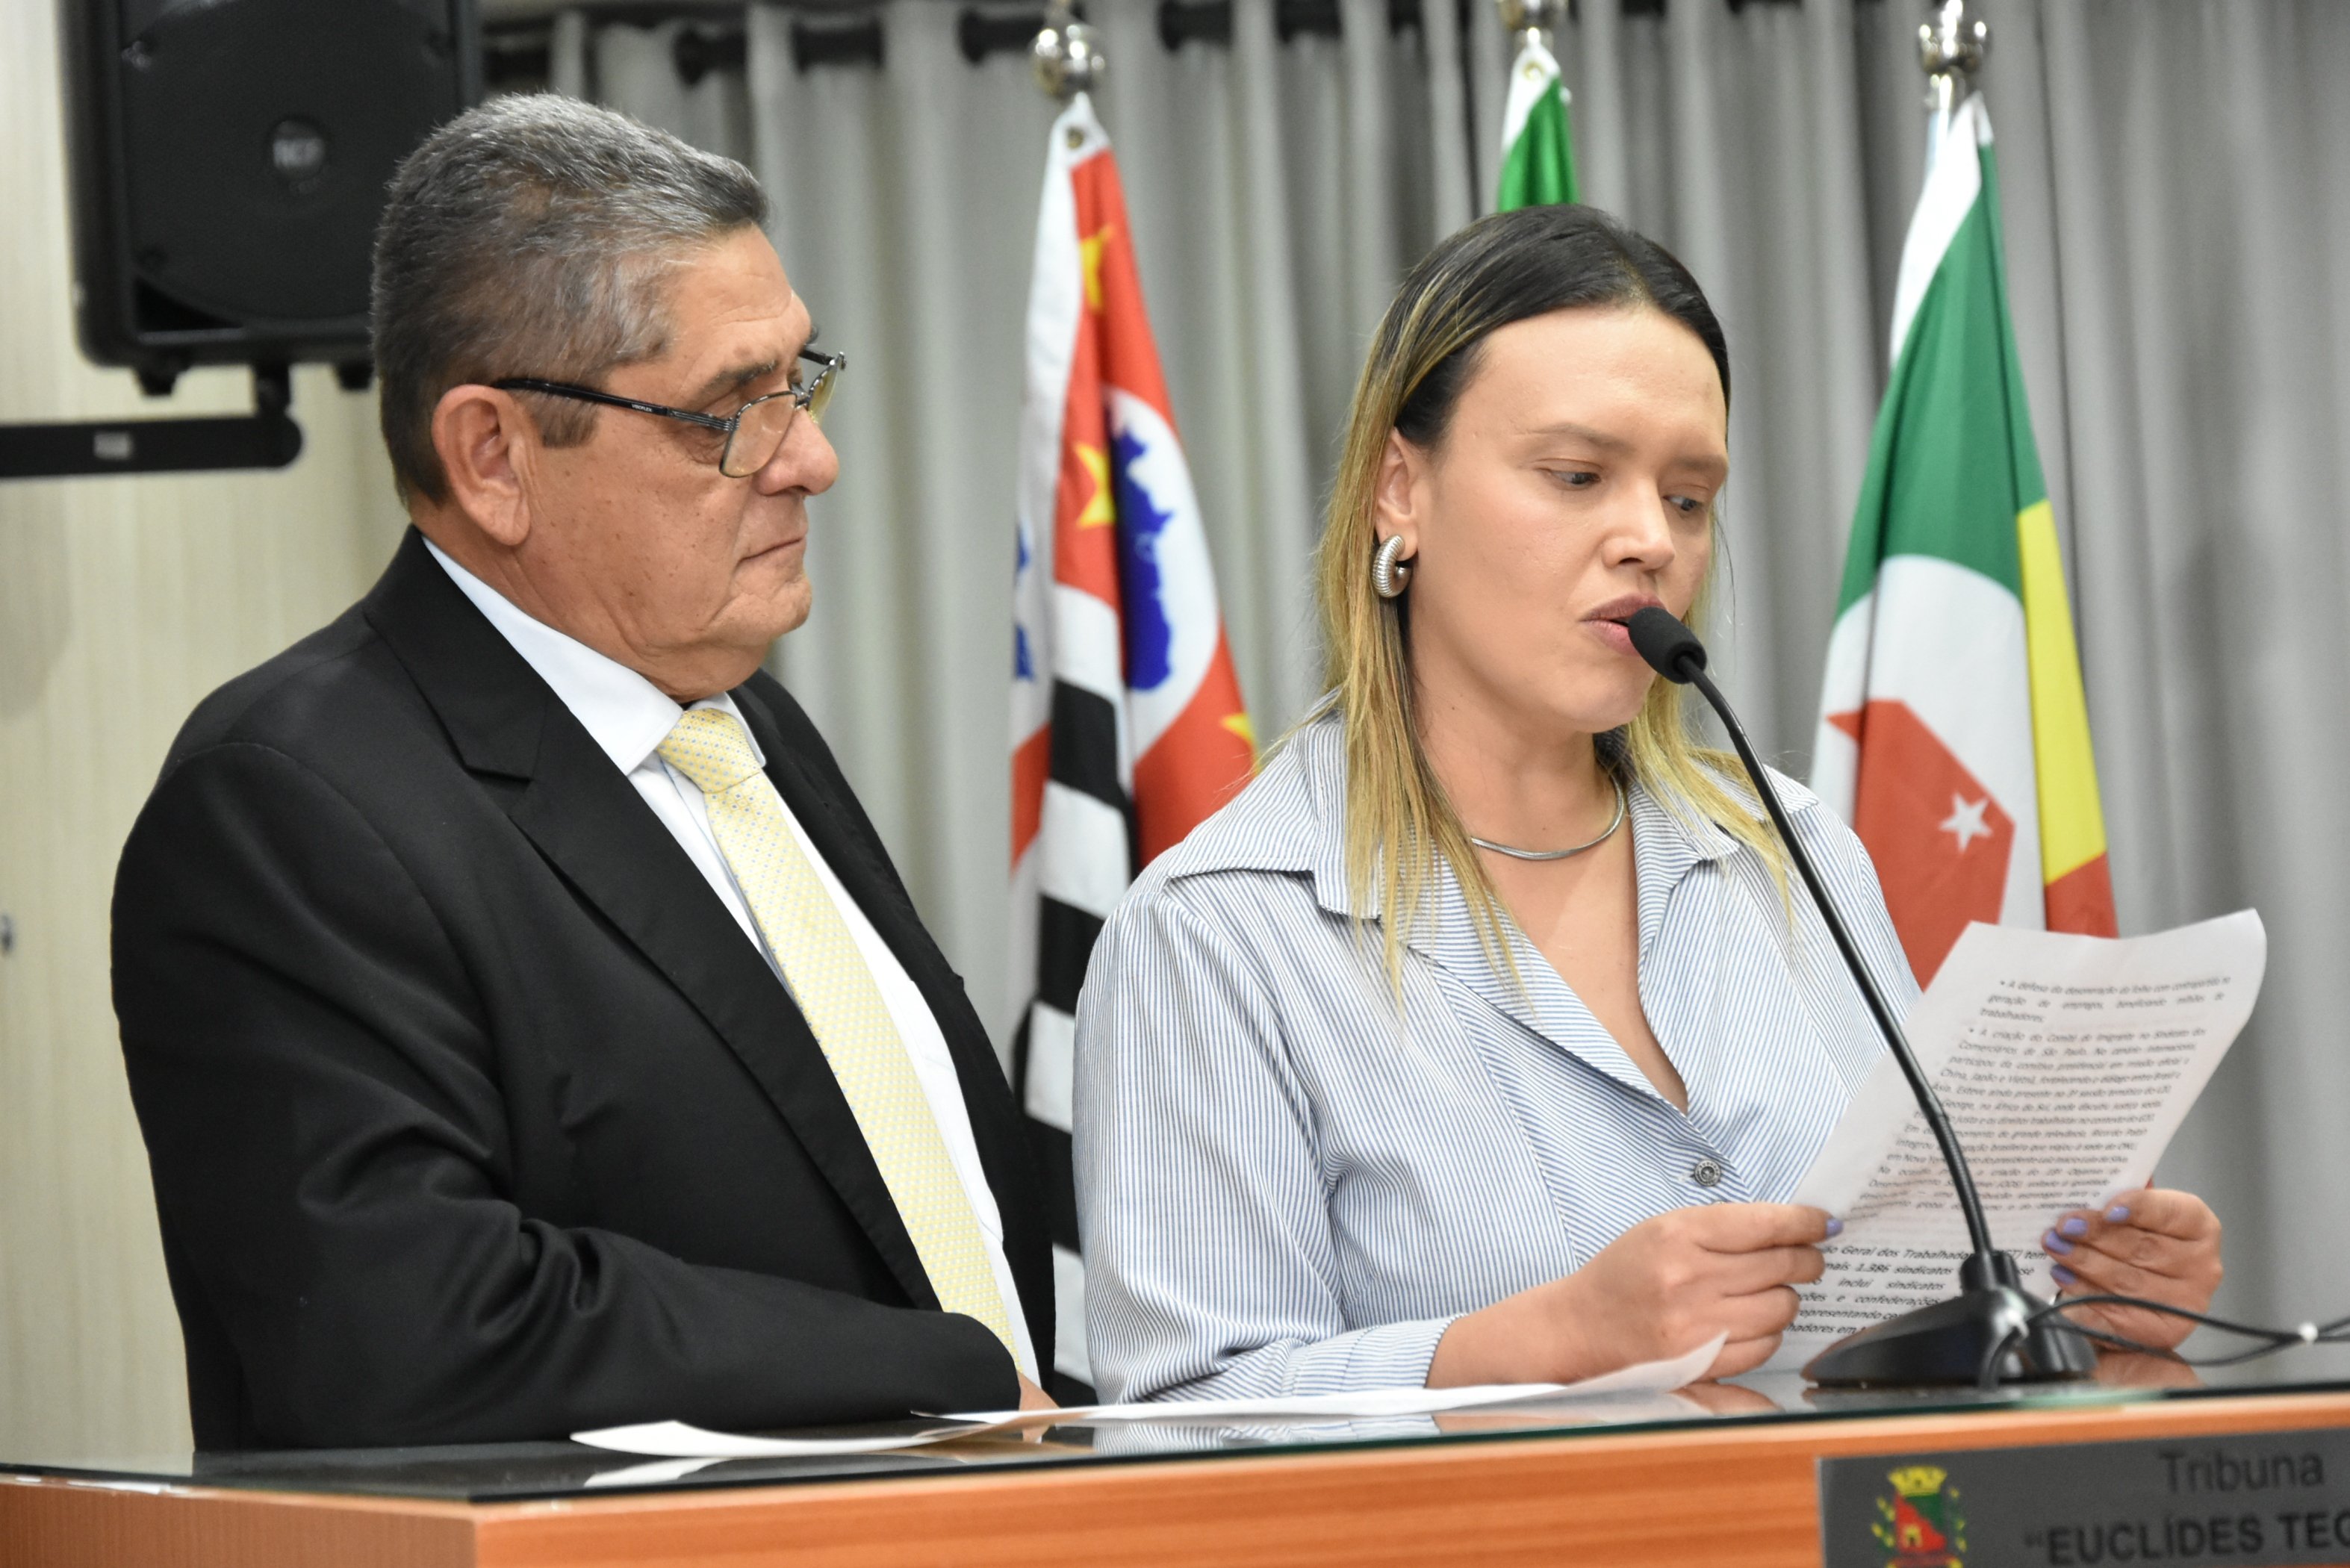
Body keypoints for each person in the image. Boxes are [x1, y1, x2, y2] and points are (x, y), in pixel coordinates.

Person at [1072, 204, 2223, 1401]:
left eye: (1687, 497)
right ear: (1399, 491)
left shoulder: (1796, 853)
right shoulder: (1217, 931)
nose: (1649, 542)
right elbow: (1183, 1422)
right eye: (1577, 477)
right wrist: (1546, 1343)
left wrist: (2073, 1303)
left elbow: (1915, 1310)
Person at [111, 96, 1054, 1449]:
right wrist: (944, 1373)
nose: (811, 458)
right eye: (728, 411)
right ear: (494, 457)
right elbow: (413, 1331)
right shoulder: (286, 804)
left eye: (799, 382)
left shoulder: (745, 729)